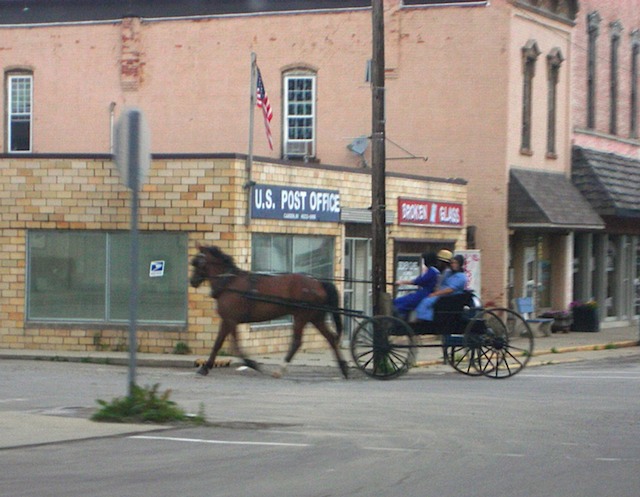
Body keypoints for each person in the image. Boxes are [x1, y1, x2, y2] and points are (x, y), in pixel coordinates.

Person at [415, 254, 467, 321]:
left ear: (460, 264)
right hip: (441, 294)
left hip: (450, 297)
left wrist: (436, 294)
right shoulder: (448, 272)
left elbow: (450, 290)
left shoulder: (461, 277)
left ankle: (425, 320)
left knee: (426, 302)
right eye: (452, 263)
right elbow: (441, 282)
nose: (453, 265)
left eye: (455, 263)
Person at [392, 252, 440, 319]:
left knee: (402, 302)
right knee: (402, 300)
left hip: (425, 294)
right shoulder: (434, 271)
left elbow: (419, 281)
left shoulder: (432, 271)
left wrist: (402, 282)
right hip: (424, 292)